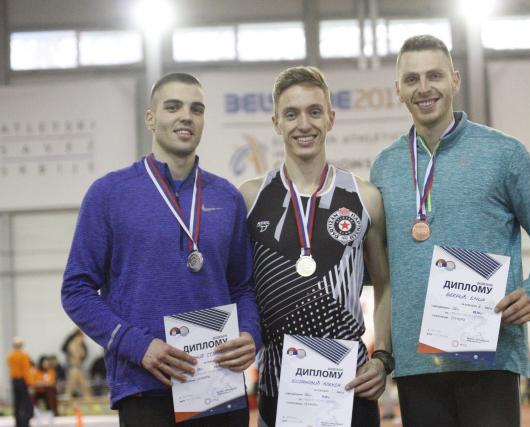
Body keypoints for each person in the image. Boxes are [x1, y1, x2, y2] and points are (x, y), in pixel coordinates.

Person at [369, 34, 530, 427]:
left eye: (434, 75)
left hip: (489, 358)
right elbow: (382, 272)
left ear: (455, 80)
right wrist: (384, 353)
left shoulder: (504, 154)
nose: (423, 88)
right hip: (417, 366)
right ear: (398, 90)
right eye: (411, 79)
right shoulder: (385, 167)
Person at [61, 72, 261, 427]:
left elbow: (243, 287)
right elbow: (76, 291)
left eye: (196, 109)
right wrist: (138, 346)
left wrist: (250, 334)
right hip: (144, 386)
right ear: (150, 119)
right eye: (173, 107)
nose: (186, 116)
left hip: (218, 384)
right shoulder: (109, 194)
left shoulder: (227, 197)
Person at [239, 66, 392, 427]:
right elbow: (238, 288)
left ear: (330, 119)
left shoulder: (365, 198)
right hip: (278, 387)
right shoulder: (250, 198)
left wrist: (383, 359)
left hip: (351, 385)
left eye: (314, 112)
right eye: (291, 114)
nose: (304, 124)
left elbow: (385, 284)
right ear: (276, 122)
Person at [6, 337, 34, 427]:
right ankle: (25, 423)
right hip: (23, 381)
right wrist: (30, 384)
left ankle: (18, 423)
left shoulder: (10, 356)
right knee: (25, 402)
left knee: (17, 402)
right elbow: (26, 370)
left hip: (14, 381)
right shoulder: (24, 356)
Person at [61, 328, 90, 398]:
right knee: (73, 385)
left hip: (77, 367)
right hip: (72, 367)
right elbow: (77, 355)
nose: (83, 340)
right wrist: (80, 349)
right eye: (82, 338)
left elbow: (83, 355)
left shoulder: (81, 346)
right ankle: (68, 396)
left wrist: (80, 348)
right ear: (77, 337)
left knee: (84, 385)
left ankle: (87, 397)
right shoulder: (72, 345)